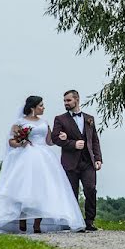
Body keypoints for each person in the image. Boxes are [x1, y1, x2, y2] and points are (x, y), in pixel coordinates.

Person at [0, 96, 85, 234]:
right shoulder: (19, 123)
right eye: (41, 105)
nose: (43, 107)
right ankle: (21, 219)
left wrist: (61, 137)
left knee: (42, 189)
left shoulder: (44, 122)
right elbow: (11, 142)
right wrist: (21, 143)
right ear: (33, 108)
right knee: (23, 188)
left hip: (44, 157)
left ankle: (37, 224)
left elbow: (49, 141)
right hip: (25, 157)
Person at [52, 89, 103, 231]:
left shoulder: (89, 118)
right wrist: (72, 144)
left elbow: (94, 140)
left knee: (91, 189)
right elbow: (54, 138)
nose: (65, 103)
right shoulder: (60, 119)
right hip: (70, 162)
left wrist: (98, 158)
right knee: (71, 193)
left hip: (88, 162)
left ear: (77, 100)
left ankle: (90, 221)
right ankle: (75, 222)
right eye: (64, 101)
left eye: (68, 100)